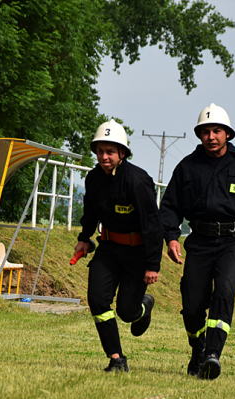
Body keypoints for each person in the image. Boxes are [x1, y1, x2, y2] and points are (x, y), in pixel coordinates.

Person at [159, 103, 235, 380]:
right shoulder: (186, 167)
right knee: (191, 307)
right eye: (205, 131)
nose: (211, 136)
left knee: (224, 292)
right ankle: (198, 349)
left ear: (227, 133)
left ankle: (213, 354)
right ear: (199, 135)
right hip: (199, 241)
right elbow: (169, 206)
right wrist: (171, 237)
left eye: (216, 131)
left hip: (233, 241)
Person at [74, 119, 164, 373]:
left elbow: (153, 226)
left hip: (138, 254)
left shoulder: (137, 181)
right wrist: (84, 238)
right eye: (100, 151)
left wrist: (152, 265)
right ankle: (116, 359)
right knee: (97, 300)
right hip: (109, 249)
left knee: (126, 311)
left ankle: (143, 308)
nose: (104, 156)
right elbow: (90, 213)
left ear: (122, 153)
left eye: (110, 151)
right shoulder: (93, 179)